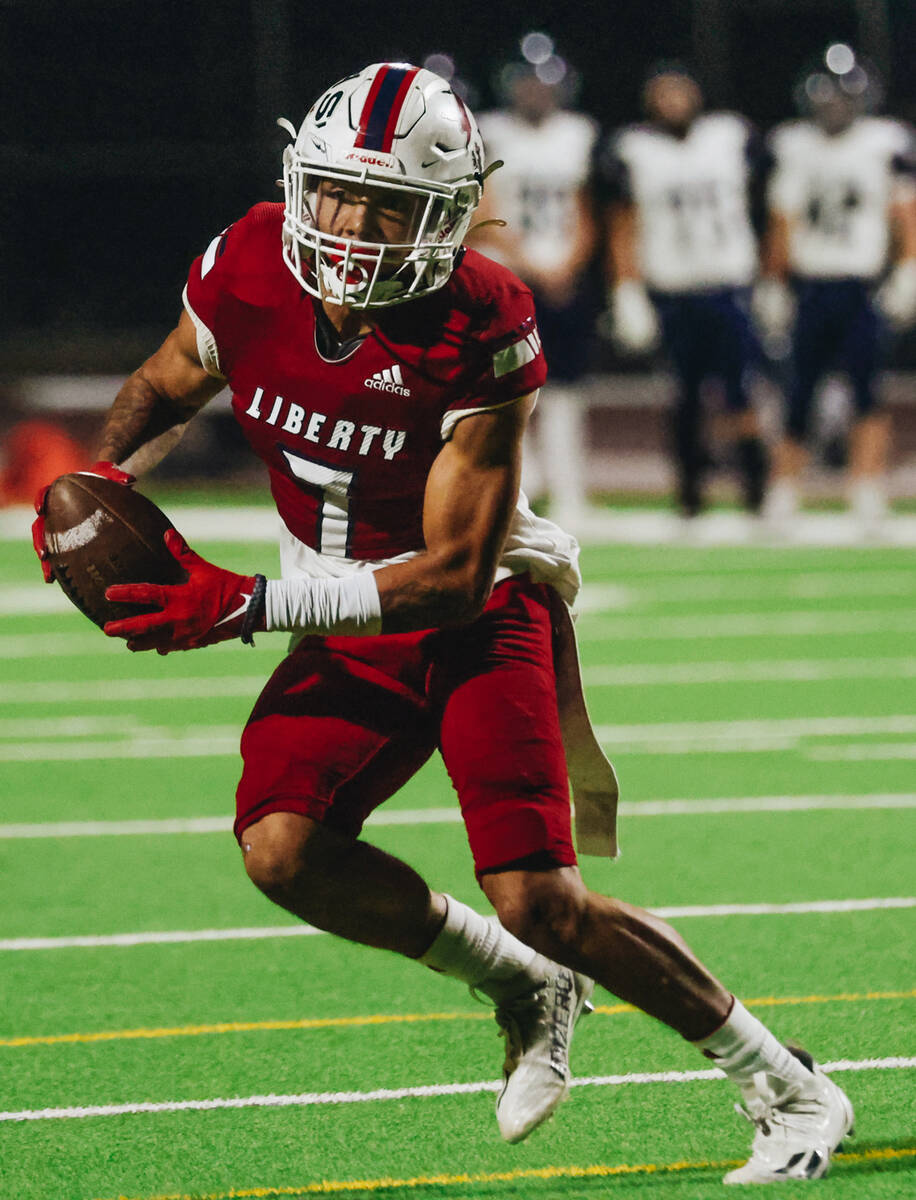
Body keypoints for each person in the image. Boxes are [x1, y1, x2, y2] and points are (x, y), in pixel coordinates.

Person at [34, 63, 852, 1181]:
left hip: (474, 612)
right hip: (341, 614)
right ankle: (516, 982)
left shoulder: (482, 315)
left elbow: (455, 574)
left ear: (452, 212)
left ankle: (787, 1085)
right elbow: (168, 381)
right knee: (283, 850)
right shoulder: (246, 262)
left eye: (392, 207)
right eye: (338, 195)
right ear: (297, 184)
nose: (357, 229)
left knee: (543, 898)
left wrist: (246, 605)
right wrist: (97, 482)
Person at [755, 44, 916, 532]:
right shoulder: (794, 144)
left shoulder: (884, 142)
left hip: (861, 283)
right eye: (828, 98)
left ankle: (865, 489)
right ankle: (784, 491)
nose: (835, 107)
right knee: (798, 392)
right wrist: (774, 282)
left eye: (843, 98)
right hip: (811, 284)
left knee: (867, 389)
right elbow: (783, 220)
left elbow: (902, 212)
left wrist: (909, 268)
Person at [598, 65, 769, 518]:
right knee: (684, 396)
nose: (673, 103)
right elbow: (623, 223)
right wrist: (627, 289)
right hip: (672, 289)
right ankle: (690, 492)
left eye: (680, 92)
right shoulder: (634, 148)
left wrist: (771, 278)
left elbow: (771, 205)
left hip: (729, 283)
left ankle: (756, 487)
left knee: (741, 389)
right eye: (663, 95)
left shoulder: (730, 135)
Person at [470, 39, 601, 530]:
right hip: (506, 275)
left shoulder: (578, 134)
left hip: (562, 275)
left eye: (544, 82)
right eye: (527, 82)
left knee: (565, 384)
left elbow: (586, 211)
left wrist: (568, 265)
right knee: (507, 383)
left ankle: (568, 488)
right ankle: (521, 486)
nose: (536, 92)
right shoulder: (492, 132)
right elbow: (483, 206)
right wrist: (525, 263)